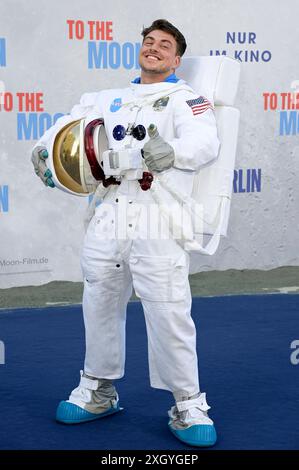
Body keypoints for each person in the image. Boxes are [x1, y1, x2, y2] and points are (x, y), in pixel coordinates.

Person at [31, 19, 220, 447]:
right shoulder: (105, 99)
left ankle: (188, 402)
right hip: (108, 213)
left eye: (164, 45)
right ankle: (98, 389)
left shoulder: (188, 100)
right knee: (99, 301)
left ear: (176, 59)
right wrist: (43, 154)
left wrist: (174, 151)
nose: (153, 48)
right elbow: (63, 129)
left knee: (169, 309)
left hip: (158, 215)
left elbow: (206, 142)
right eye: (149, 42)